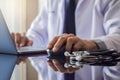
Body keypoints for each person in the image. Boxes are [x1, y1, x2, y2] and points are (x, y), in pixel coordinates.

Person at [12, 0, 120, 80]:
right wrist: (25, 42)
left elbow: (118, 36)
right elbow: (37, 34)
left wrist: (90, 45)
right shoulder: (52, 2)